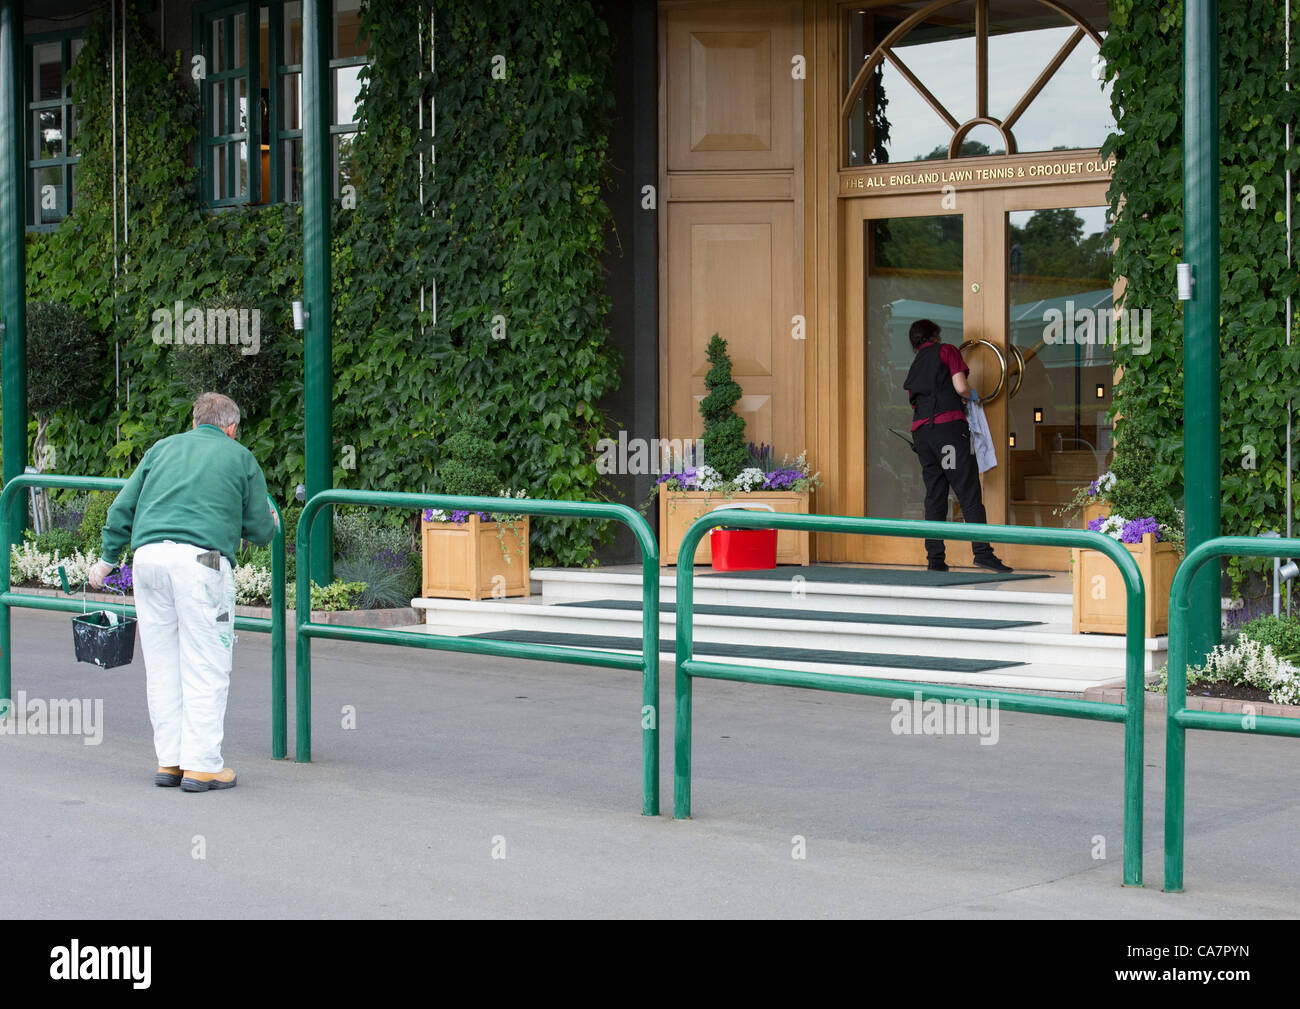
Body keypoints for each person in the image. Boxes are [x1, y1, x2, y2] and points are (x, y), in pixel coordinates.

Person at [88, 392, 278, 792]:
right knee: (207, 661)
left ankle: (170, 761)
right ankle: (203, 765)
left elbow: (122, 508)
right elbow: (261, 530)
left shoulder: (161, 448)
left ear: (194, 422)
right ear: (231, 428)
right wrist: (269, 520)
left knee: (162, 663)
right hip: (203, 564)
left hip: (149, 559)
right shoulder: (239, 456)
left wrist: (106, 562)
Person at [902, 319, 1012, 574]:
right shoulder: (946, 350)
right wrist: (974, 396)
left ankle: (935, 559)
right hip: (947, 432)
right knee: (968, 491)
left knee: (935, 495)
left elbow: (913, 402)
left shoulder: (916, 364)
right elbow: (960, 386)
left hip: (922, 435)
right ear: (935, 336)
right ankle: (983, 553)